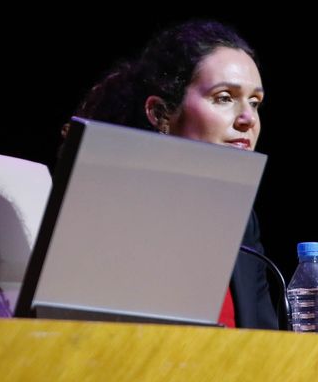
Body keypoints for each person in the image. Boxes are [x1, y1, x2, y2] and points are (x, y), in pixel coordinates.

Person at [74, 20, 281, 329]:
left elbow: (265, 338)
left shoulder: (240, 219)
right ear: (160, 113)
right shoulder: (108, 209)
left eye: (255, 102)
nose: (248, 118)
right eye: (224, 97)